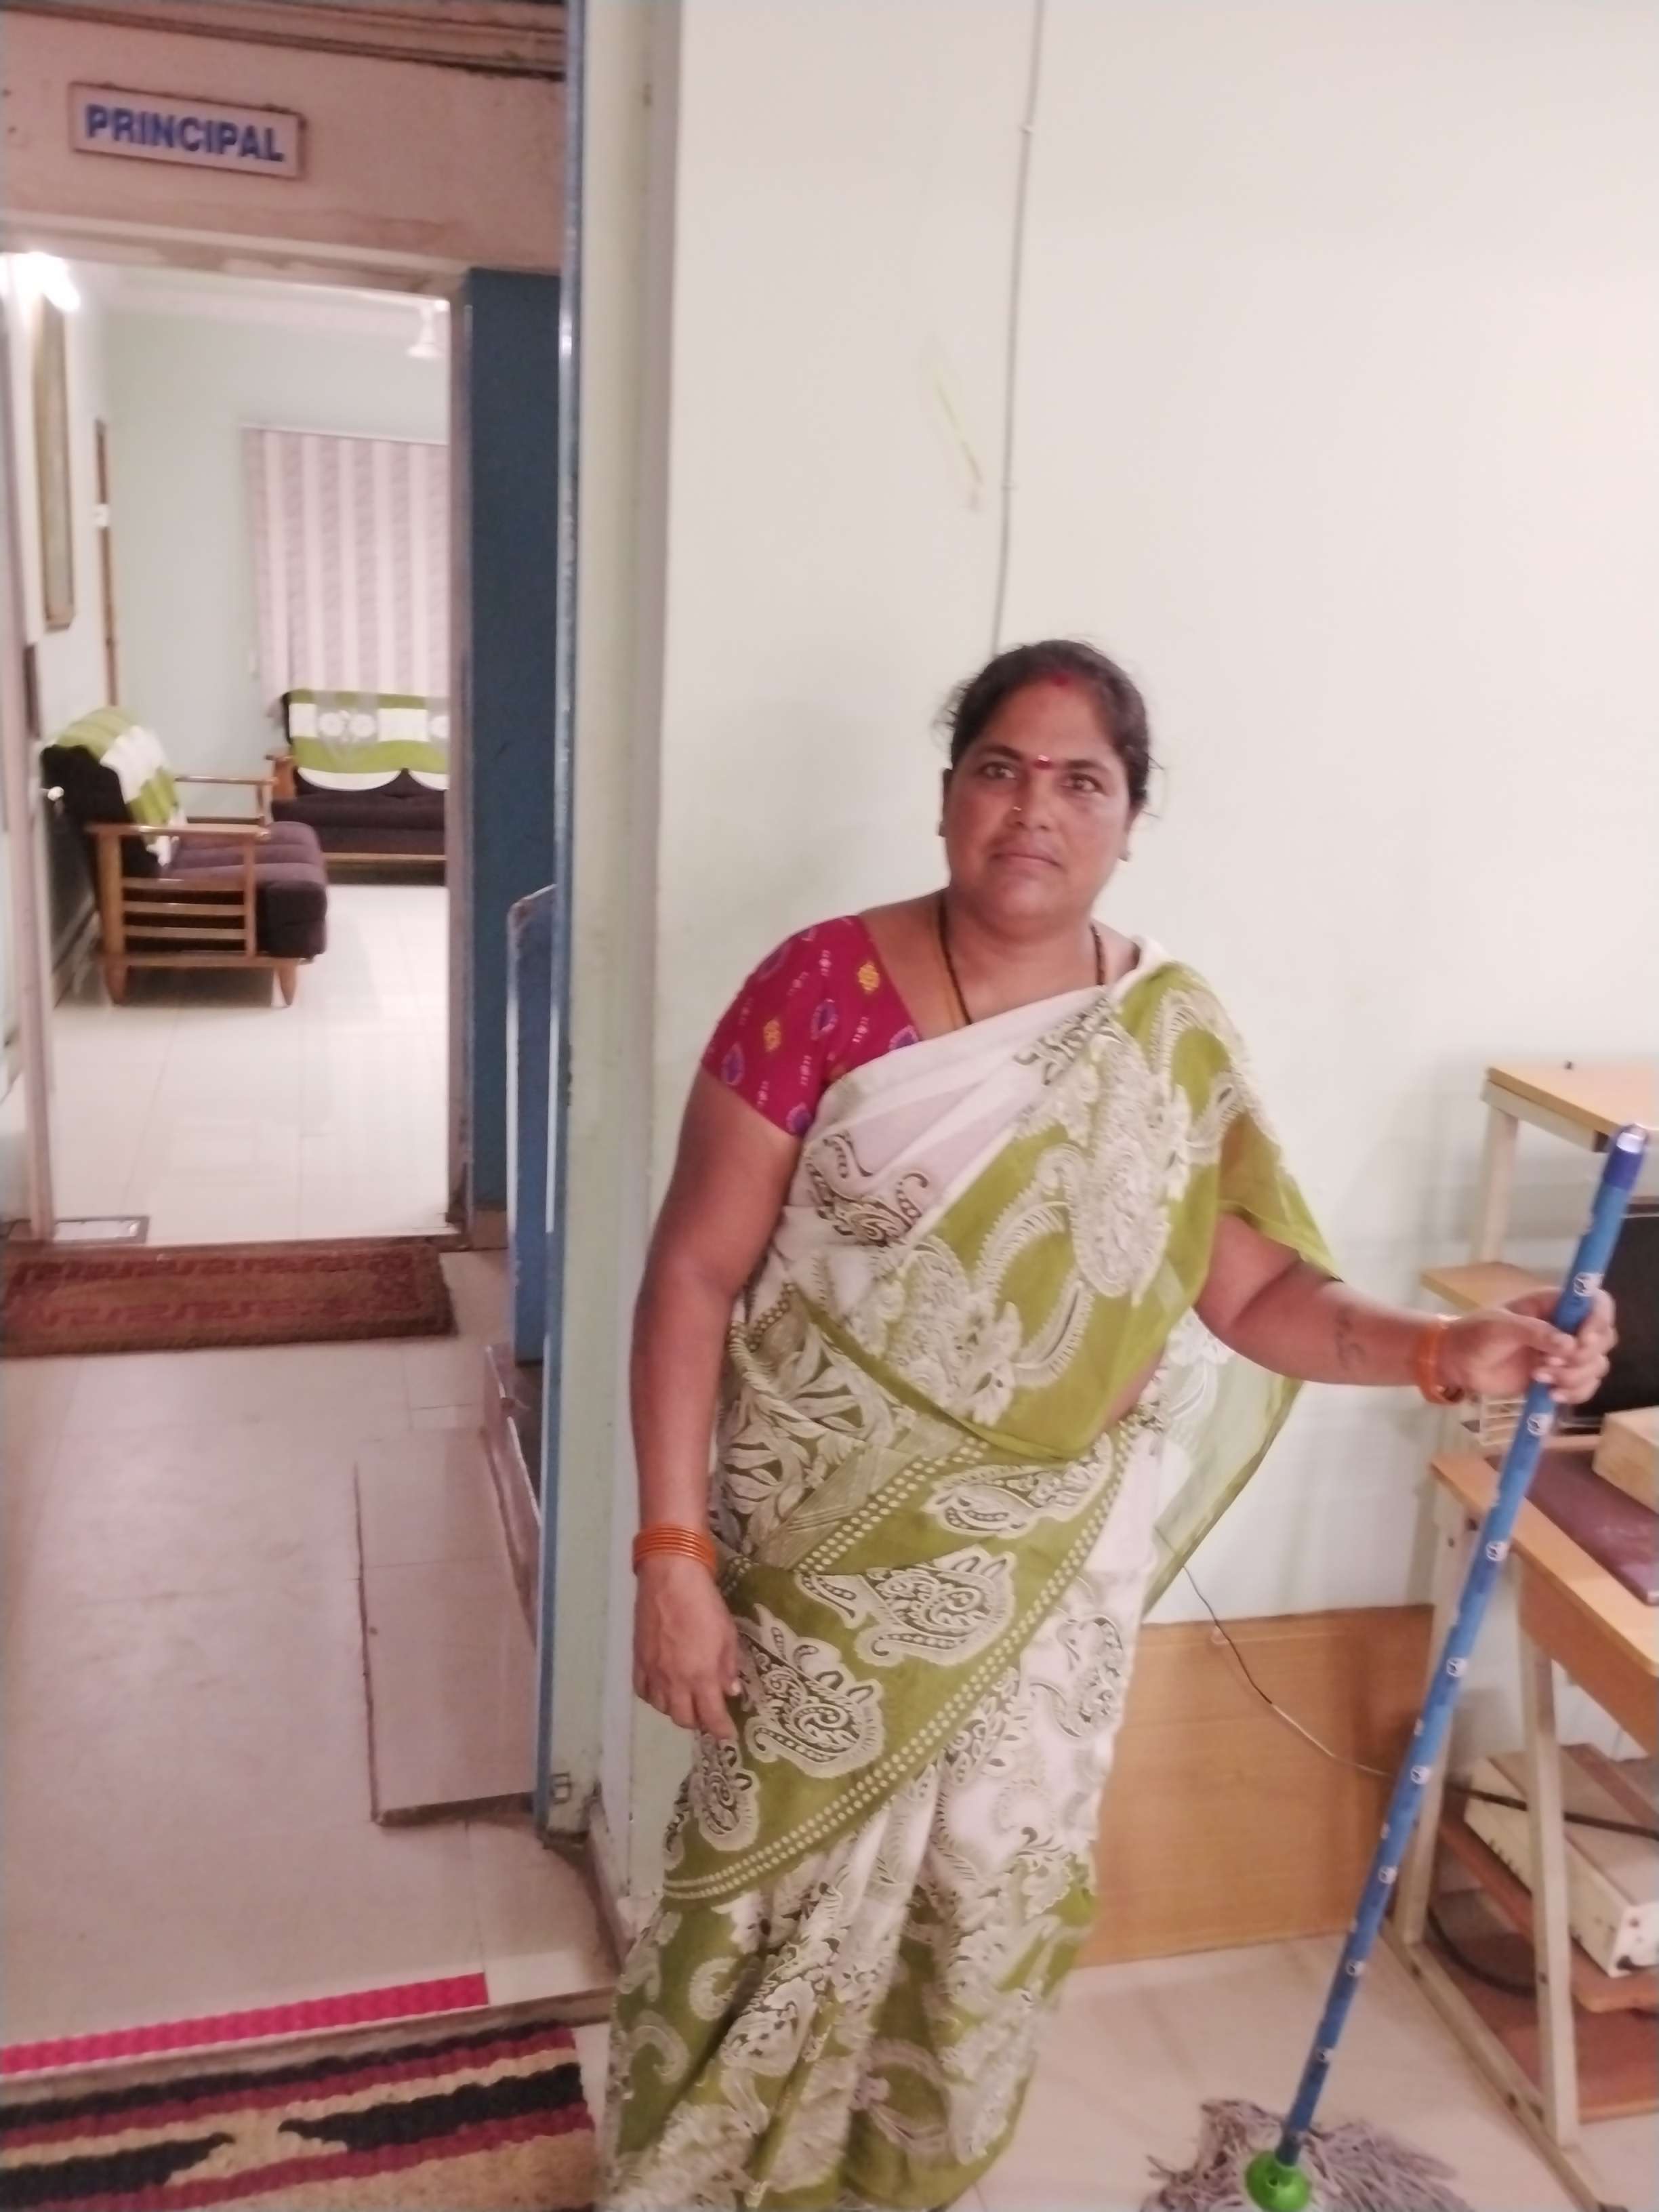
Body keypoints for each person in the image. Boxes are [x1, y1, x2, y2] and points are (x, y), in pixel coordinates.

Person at [601, 640, 1616, 2212]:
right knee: (757, 1903)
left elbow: (1256, 1294)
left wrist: (1446, 1348)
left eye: (1083, 781)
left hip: (1046, 1582)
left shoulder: (1169, 1035)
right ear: (948, 795)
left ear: (1132, 819)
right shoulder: (817, 989)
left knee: (976, 1908)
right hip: (819, 1565)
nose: (1035, 809)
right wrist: (670, 1553)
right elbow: (691, 1275)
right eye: (1000, 769)